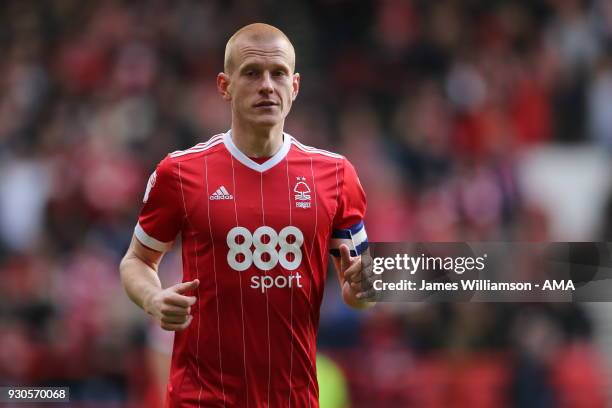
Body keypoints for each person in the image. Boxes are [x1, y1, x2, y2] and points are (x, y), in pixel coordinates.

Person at [120, 22, 374, 407]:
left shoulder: (337, 176)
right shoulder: (181, 173)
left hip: (293, 397)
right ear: (225, 86)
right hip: (201, 398)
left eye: (279, 74)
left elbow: (359, 288)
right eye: (252, 73)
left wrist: (366, 288)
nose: (267, 86)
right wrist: (153, 298)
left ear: (295, 86)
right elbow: (137, 261)